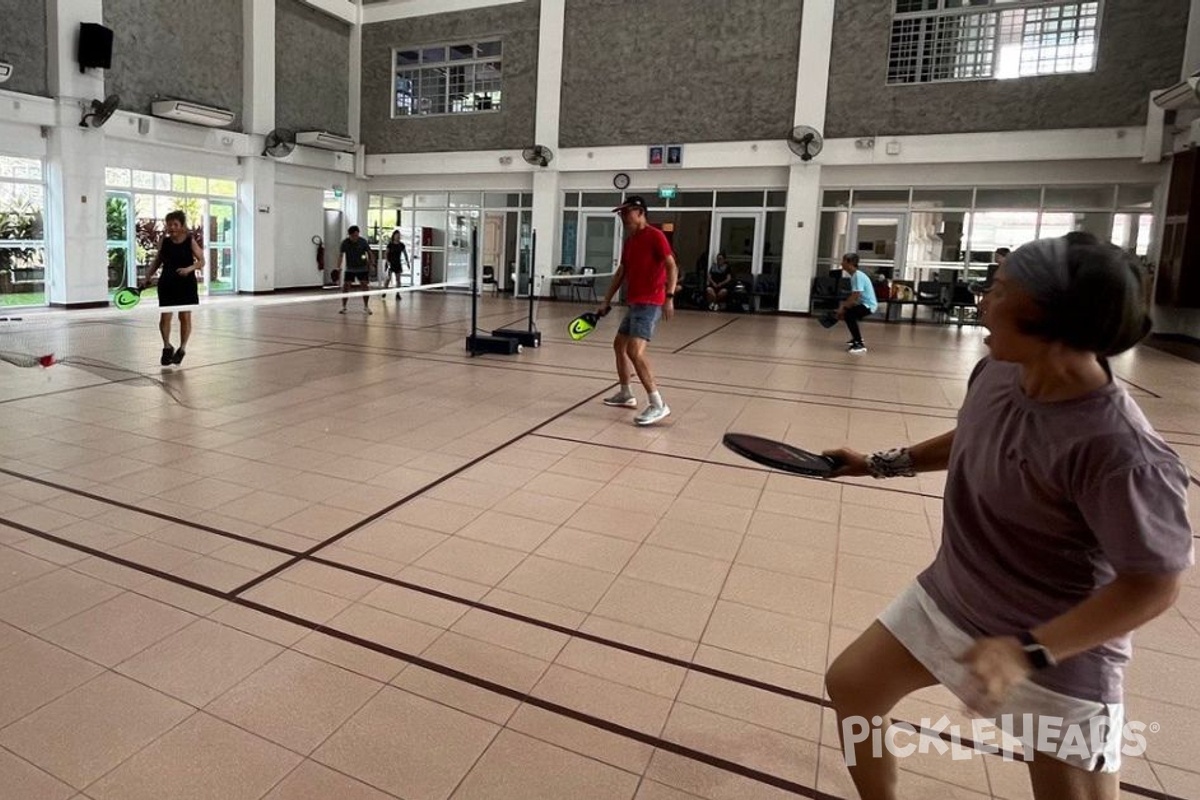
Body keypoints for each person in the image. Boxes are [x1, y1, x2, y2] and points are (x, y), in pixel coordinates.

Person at [823, 233, 1193, 800]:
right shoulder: (998, 371)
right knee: (852, 688)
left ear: (1047, 314)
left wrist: (1029, 650)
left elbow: (1153, 586)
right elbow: (973, 436)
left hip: (1057, 654)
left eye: (999, 289)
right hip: (950, 597)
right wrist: (877, 464)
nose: (982, 300)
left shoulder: (1120, 452)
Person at [597, 196, 678, 426]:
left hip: (651, 301)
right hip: (635, 302)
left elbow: (671, 265)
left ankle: (657, 404)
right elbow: (622, 271)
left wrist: (669, 296)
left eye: (626, 212)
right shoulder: (631, 241)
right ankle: (625, 393)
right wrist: (606, 300)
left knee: (635, 350)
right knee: (619, 345)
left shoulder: (655, 235)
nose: (622, 216)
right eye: (621, 213)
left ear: (640, 212)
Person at [143, 210, 203, 366]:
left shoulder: (190, 241)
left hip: (186, 284)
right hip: (167, 283)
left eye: (175, 224)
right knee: (165, 317)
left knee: (184, 317)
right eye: (169, 224)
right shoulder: (165, 241)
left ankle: (182, 349)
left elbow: (201, 261)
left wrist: (188, 269)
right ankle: (167, 346)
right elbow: (157, 260)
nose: (172, 227)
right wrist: (147, 276)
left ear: (182, 226)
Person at [836, 253, 878, 354]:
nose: (841, 263)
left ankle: (859, 344)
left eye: (843, 261)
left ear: (849, 262)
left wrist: (842, 308)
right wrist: (846, 307)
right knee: (848, 314)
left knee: (849, 315)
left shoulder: (858, 276)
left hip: (869, 306)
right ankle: (856, 338)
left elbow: (855, 295)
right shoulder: (855, 275)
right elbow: (856, 296)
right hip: (864, 303)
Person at [338, 225, 374, 315]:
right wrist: (338, 267)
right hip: (350, 268)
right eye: (354, 236)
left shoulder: (363, 242)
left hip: (362, 268)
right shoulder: (345, 243)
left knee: (365, 286)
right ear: (349, 235)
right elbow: (341, 255)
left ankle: (366, 306)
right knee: (346, 287)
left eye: (357, 235)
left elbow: (370, 253)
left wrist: (371, 264)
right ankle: (344, 307)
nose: (356, 237)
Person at [382, 230, 410, 299]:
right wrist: (387, 261)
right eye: (396, 235)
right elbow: (386, 253)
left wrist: (407, 262)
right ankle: (384, 292)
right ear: (393, 236)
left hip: (397, 263)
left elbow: (405, 254)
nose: (398, 237)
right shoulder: (390, 244)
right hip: (390, 263)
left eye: (399, 235)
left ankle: (398, 293)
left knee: (398, 279)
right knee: (388, 278)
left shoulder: (401, 245)